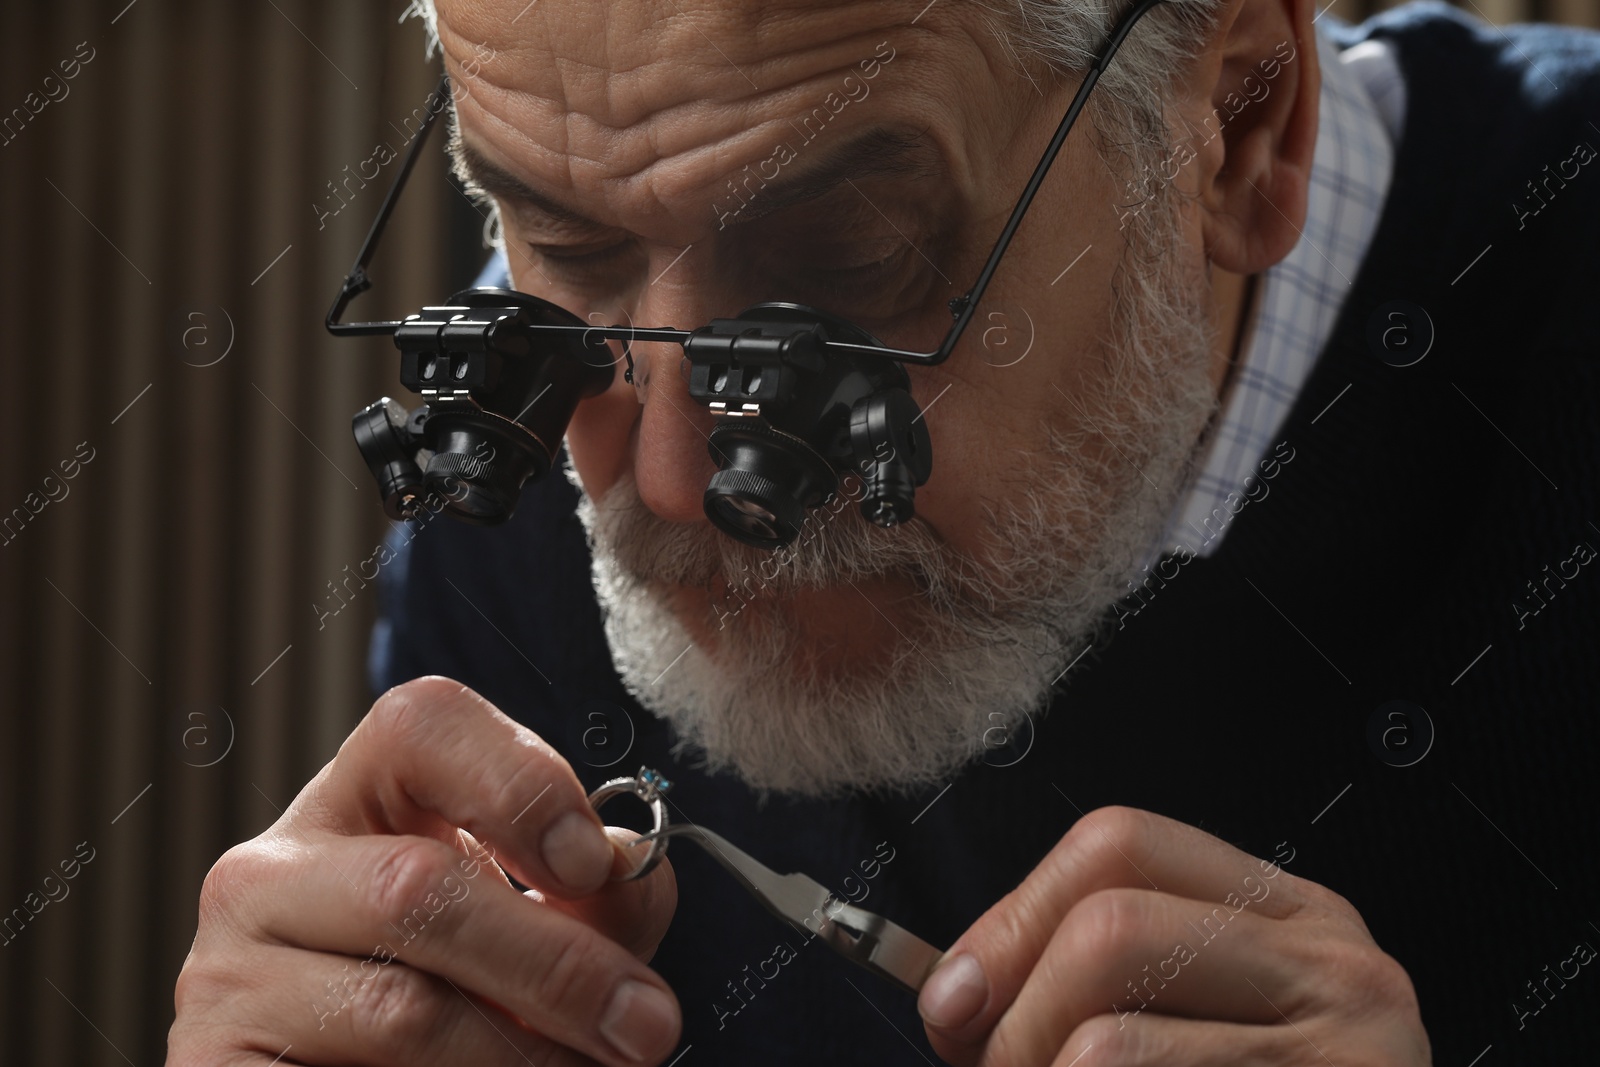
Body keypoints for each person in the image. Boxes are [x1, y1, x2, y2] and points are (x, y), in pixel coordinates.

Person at [169, 0, 1600, 1062]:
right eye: (566, 246)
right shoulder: (538, 450)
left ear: (1233, 124)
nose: (671, 483)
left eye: (845, 270)